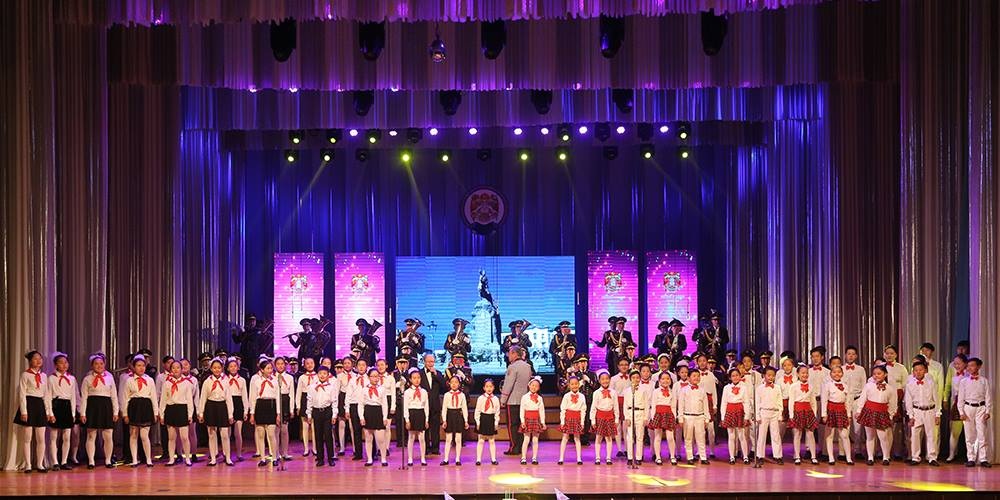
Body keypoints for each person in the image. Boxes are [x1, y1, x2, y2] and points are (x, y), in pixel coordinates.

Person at [81, 352, 119, 469]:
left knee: (108, 436)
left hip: (106, 407)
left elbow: (114, 396)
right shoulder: (87, 379)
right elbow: (84, 397)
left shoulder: (109, 378)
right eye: (96, 364)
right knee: (91, 435)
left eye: (101, 363)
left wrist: (115, 412)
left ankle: (108, 460)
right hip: (92, 407)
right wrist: (83, 413)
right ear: (92, 365)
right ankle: (91, 461)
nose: (99, 366)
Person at [17, 350, 51, 473]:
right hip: (29, 404)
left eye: (40, 358)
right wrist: (24, 411)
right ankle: (28, 465)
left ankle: (40, 464)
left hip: (40, 406)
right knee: (27, 438)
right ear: (30, 361)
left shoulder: (44, 376)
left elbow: (46, 395)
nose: (38, 361)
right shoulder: (25, 375)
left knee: (41, 438)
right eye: (35, 358)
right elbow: (22, 394)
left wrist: (48, 412)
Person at [856, 365, 897, 466]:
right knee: (870, 436)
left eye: (879, 373)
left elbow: (893, 404)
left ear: (885, 374)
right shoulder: (868, 386)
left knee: (883, 437)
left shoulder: (890, 389)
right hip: (869, 412)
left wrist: (890, 416)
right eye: (874, 374)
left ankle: (886, 457)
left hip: (882, 413)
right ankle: (870, 457)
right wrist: (859, 410)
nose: (876, 376)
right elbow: (862, 398)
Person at [121, 354, 158, 468]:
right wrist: (125, 414)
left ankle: (148, 459)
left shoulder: (150, 380)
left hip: (146, 407)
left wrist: (155, 413)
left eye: (143, 365)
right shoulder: (129, 380)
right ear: (133, 367)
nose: (141, 368)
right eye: (138, 365)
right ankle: (134, 459)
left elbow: (154, 397)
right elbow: (125, 398)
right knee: (133, 434)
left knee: (144, 435)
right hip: (134, 407)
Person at [159, 358, 195, 467]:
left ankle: (187, 458)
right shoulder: (167, 383)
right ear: (171, 370)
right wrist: (162, 414)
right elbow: (163, 400)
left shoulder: (186, 383)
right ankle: (171, 459)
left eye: (178, 368)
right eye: (173, 368)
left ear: (181, 369)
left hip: (182, 409)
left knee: (184, 437)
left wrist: (190, 414)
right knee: (171, 437)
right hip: (171, 409)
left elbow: (189, 400)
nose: (175, 370)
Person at [904, 361, 940, 466]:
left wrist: (938, 414)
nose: (918, 372)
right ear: (913, 372)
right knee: (915, 435)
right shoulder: (910, 385)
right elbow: (908, 402)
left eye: (920, 370)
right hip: (917, 411)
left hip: (930, 410)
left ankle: (932, 457)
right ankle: (915, 457)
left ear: (925, 371)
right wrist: (911, 416)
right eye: (916, 370)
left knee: (931, 435)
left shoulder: (931, 383)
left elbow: (937, 400)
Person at [957, 357, 991, 468]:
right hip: (968, 408)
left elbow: (988, 397)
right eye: (968, 366)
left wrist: (988, 411)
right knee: (969, 435)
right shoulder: (964, 382)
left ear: (979, 366)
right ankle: (971, 458)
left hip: (980, 408)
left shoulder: (984, 381)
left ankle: (983, 458)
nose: (970, 368)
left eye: (972, 365)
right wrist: (961, 412)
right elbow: (960, 398)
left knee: (982, 434)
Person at [249, 357, 282, 467]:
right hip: (260, 406)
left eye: (271, 368)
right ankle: (262, 458)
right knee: (260, 434)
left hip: (271, 406)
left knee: (272, 434)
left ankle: (274, 457)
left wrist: (278, 414)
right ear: (262, 370)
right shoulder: (256, 381)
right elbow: (253, 398)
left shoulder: (275, 381)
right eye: (267, 368)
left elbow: (278, 398)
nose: (270, 370)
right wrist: (252, 413)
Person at [47, 352, 77, 470]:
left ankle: (64, 461)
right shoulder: (51, 378)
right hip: (56, 405)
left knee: (67, 436)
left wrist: (73, 413)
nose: (64, 365)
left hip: (67, 406)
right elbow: (48, 396)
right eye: (61, 362)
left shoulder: (72, 378)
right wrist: (50, 413)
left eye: (66, 362)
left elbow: (73, 397)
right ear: (56, 365)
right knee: (54, 436)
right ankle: (55, 462)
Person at [305, 365, 339, 467]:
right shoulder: (312, 387)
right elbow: (309, 401)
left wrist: (334, 415)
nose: (322, 375)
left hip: (327, 412)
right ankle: (320, 458)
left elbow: (334, 401)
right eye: (320, 373)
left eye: (324, 373)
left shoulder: (331, 387)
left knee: (328, 435)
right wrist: (309, 414)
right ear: (317, 375)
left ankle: (331, 458)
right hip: (316, 412)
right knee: (318, 435)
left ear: (328, 375)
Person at [500, 347, 531, 456]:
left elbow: (508, 385)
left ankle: (514, 447)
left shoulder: (512, 367)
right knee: (521, 424)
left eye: (509, 353)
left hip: (512, 400)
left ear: (514, 354)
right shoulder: (528, 366)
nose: (508, 356)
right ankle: (522, 446)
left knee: (512, 425)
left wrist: (503, 399)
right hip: (524, 400)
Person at [821, 365, 855, 465]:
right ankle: (831, 457)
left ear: (842, 374)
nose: (837, 374)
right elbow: (824, 400)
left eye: (839, 372)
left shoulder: (845, 386)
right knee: (829, 435)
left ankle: (848, 458)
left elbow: (847, 402)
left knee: (844, 435)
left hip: (842, 410)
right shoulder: (827, 385)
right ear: (830, 374)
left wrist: (848, 415)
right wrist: (824, 414)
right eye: (834, 372)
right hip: (831, 410)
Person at [678, 370, 712, 465]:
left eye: (698, 376)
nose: (696, 378)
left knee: (701, 438)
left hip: (699, 417)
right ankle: (690, 457)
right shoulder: (683, 390)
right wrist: (680, 418)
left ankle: (703, 457)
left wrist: (707, 418)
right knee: (688, 438)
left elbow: (705, 405)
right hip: (687, 417)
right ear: (689, 378)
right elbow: (681, 405)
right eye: (694, 376)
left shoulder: (702, 390)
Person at [881, 344, 908, 460]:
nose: (889, 355)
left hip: (897, 399)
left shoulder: (901, 368)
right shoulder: (880, 367)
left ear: (896, 355)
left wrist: (902, 400)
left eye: (891, 353)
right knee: (883, 426)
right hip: (883, 399)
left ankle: (897, 451)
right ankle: (883, 452)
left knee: (897, 427)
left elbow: (906, 385)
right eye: (887, 353)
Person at [754, 367, 784, 467]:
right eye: (769, 375)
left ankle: (778, 456)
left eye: (773, 375)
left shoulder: (777, 387)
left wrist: (780, 414)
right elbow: (757, 403)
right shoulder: (759, 388)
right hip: (764, 412)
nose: (771, 377)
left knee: (776, 435)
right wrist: (757, 415)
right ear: (764, 376)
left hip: (774, 413)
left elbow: (779, 402)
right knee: (761, 435)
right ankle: (760, 456)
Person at [360, 368, 390, 467]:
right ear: (369, 377)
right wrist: (361, 417)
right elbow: (361, 404)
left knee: (381, 439)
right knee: (368, 438)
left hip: (378, 412)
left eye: (377, 376)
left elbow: (385, 404)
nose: (375, 378)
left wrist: (385, 417)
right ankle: (369, 459)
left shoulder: (382, 389)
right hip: (368, 412)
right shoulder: (364, 389)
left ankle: (383, 459)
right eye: (373, 376)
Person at [789, 365, 819, 465]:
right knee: (797, 434)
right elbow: (791, 402)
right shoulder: (793, 386)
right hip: (798, 411)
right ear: (798, 374)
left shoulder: (811, 386)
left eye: (806, 373)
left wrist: (814, 414)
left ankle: (813, 456)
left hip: (808, 411)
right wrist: (791, 415)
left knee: (810, 434)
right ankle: (797, 456)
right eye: (802, 373)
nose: (805, 375)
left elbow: (813, 402)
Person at [720, 368, 751, 464]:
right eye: (733, 376)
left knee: (742, 435)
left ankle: (745, 456)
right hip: (730, 411)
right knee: (731, 435)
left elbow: (746, 402)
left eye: (737, 375)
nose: (735, 377)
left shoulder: (744, 387)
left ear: (740, 376)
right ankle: (732, 457)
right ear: (730, 377)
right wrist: (723, 417)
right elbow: (724, 403)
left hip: (740, 411)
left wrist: (747, 416)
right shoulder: (726, 388)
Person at [841, 345, 867, 458]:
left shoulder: (861, 369)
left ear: (856, 356)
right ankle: (843, 452)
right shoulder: (841, 369)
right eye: (849, 354)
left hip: (857, 399)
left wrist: (862, 402)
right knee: (844, 427)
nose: (851, 356)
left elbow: (864, 386)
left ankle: (857, 450)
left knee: (858, 427)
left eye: (853, 354)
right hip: (844, 401)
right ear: (845, 355)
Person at [648, 372, 678, 465]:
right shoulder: (656, 391)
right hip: (658, 414)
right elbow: (653, 405)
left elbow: (673, 406)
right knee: (657, 437)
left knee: (670, 437)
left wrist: (674, 417)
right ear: (659, 380)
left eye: (667, 378)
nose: (665, 380)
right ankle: (658, 457)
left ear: (670, 380)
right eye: (663, 379)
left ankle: (672, 456)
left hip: (669, 415)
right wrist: (653, 417)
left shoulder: (672, 392)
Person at [590, 370, 619, 465]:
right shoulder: (596, 393)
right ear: (599, 381)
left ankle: (608, 458)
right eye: (602, 379)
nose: (605, 381)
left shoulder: (613, 392)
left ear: (610, 380)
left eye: (607, 379)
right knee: (598, 437)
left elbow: (616, 406)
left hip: (609, 417)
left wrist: (616, 419)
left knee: (609, 438)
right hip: (600, 417)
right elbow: (593, 407)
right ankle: (597, 458)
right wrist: (593, 420)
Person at [418, 353, 445, 456]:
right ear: (424, 362)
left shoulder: (438, 373)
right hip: (423, 405)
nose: (431, 364)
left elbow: (444, 386)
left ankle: (435, 448)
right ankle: (426, 448)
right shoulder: (419, 373)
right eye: (429, 362)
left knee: (435, 428)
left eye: (432, 362)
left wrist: (436, 375)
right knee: (425, 427)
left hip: (435, 404)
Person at [403, 368, 429, 467]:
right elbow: (405, 407)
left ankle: (423, 458)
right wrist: (407, 420)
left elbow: (426, 406)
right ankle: (410, 458)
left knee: (422, 438)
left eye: (418, 378)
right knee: (411, 437)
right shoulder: (407, 392)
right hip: (412, 413)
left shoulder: (424, 391)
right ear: (410, 379)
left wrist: (426, 419)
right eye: (414, 378)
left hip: (421, 413)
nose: (417, 380)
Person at [440, 375, 469, 466]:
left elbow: (464, 408)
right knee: (448, 439)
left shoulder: (462, 395)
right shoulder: (447, 395)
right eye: (452, 382)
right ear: (449, 383)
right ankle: (446, 459)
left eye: (456, 382)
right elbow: (444, 408)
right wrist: (444, 420)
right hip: (449, 416)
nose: (454, 384)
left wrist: (466, 420)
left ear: (459, 384)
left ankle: (457, 459)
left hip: (458, 416)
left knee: (458, 439)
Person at [694, 353, 719, 458]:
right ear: (697, 362)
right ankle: (699, 451)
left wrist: (715, 405)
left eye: (704, 361)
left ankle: (712, 451)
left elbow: (714, 391)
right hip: (698, 401)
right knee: (699, 429)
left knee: (711, 429)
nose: (702, 363)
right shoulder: (695, 374)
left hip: (709, 401)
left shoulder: (711, 375)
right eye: (700, 361)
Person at [557, 376, 586, 465]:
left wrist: (582, 422)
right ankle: (561, 458)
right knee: (565, 437)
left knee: (577, 438)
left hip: (577, 418)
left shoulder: (582, 396)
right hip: (568, 418)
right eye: (572, 384)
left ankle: (579, 458)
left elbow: (583, 410)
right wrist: (562, 421)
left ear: (579, 384)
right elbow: (563, 409)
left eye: (576, 384)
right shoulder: (566, 396)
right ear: (569, 385)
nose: (574, 386)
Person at [945, 353, 968, 463]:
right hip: (957, 405)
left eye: (959, 363)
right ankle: (951, 454)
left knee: (970, 433)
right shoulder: (954, 378)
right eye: (955, 364)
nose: (956, 366)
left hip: (968, 405)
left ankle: (972, 456)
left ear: (965, 364)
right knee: (954, 432)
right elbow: (952, 392)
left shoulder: (969, 377)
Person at [225, 358, 248, 462]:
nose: (233, 368)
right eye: (231, 366)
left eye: (235, 366)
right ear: (227, 368)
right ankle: (226, 454)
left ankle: (239, 453)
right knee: (227, 433)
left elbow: (244, 396)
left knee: (238, 433)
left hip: (238, 404)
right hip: (228, 403)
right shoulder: (224, 379)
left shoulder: (242, 380)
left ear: (238, 367)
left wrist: (245, 411)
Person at [519, 376, 546, 465]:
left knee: (535, 439)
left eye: (536, 386)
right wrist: (522, 421)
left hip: (536, 419)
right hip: (527, 419)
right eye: (533, 385)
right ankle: (523, 458)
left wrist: (543, 422)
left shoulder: (540, 398)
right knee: (526, 439)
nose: (534, 387)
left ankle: (534, 458)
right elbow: (522, 410)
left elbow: (541, 411)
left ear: (538, 388)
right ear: (529, 385)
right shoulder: (524, 397)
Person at [295, 357, 319, 457]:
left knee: (314, 427)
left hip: (314, 400)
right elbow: (298, 392)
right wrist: (298, 406)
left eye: (311, 363)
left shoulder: (318, 376)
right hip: (304, 400)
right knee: (305, 426)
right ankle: (306, 448)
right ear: (304, 365)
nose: (309, 365)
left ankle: (315, 448)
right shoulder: (302, 377)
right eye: (307, 363)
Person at [474, 378, 501, 466]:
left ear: (493, 388)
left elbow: (497, 412)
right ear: (484, 388)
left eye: (491, 386)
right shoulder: (481, 398)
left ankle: (493, 459)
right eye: (487, 386)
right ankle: (478, 459)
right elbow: (477, 411)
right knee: (481, 440)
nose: (489, 388)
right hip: (483, 419)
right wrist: (478, 422)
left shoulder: (496, 399)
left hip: (491, 419)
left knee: (491, 440)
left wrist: (496, 423)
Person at [347, 358, 369, 460]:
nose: (361, 367)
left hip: (366, 406)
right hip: (354, 405)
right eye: (359, 365)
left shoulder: (370, 378)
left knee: (369, 431)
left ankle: (372, 453)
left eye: (363, 365)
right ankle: (358, 453)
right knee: (356, 431)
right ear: (356, 367)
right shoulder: (352, 380)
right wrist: (347, 409)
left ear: (366, 367)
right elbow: (348, 395)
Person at [392, 357, 411, 449]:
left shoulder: (409, 374)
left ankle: (406, 440)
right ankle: (399, 441)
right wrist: (397, 384)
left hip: (407, 400)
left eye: (404, 363)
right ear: (397, 364)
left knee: (406, 420)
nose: (402, 365)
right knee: (398, 421)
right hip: (397, 400)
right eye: (400, 363)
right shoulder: (394, 374)